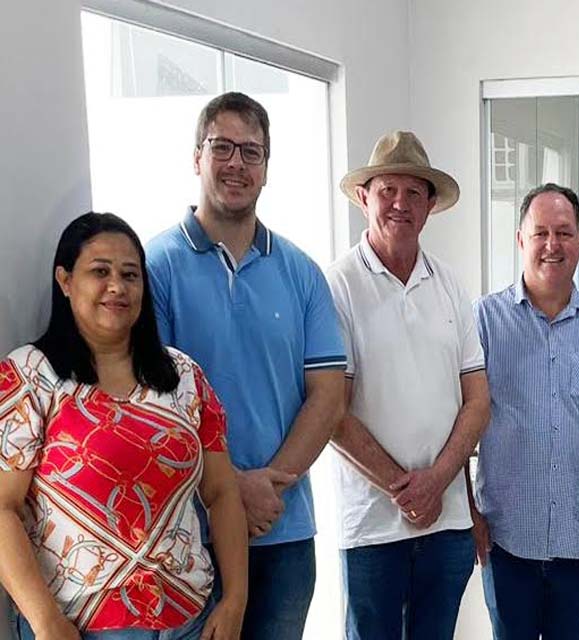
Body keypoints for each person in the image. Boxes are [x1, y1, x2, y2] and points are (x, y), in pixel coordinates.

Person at [146, 92, 347, 639]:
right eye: (223, 147)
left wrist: (267, 490)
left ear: (266, 168)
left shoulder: (302, 273)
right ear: (196, 157)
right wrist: (230, 491)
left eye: (251, 152)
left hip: (284, 529)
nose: (237, 163)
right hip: (190, 533)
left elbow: (328, 396)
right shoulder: (153, 266)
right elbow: (151, 405)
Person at [0, 212, 247, 640]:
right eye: (100, 271)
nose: (117, 286)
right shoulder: (29, 378)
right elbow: (3, 508)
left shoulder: (185, 378)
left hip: (190, 620)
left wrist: (235, 600)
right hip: (79, 626)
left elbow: (222, 493)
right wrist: (45, 622)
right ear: (65, 280)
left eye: (130, 274)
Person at [326, 130, 490, 639]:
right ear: (363, 197)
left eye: (414, 192)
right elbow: (331, 410)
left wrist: (438, 481)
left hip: (448, 525)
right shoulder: (337, 286)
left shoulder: (451, 286)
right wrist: (407, 491)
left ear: (430, 204)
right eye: (387, 191)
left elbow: (478, 400)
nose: (400, 204)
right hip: (373, 527)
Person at [471, 183, 579, 639]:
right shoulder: (483, 322)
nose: (552, 245)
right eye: (540, 232)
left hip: (577, 542)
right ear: (521, 240)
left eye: (564, 233)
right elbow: (457, 423)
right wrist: (469, 511)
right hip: (505, 542)